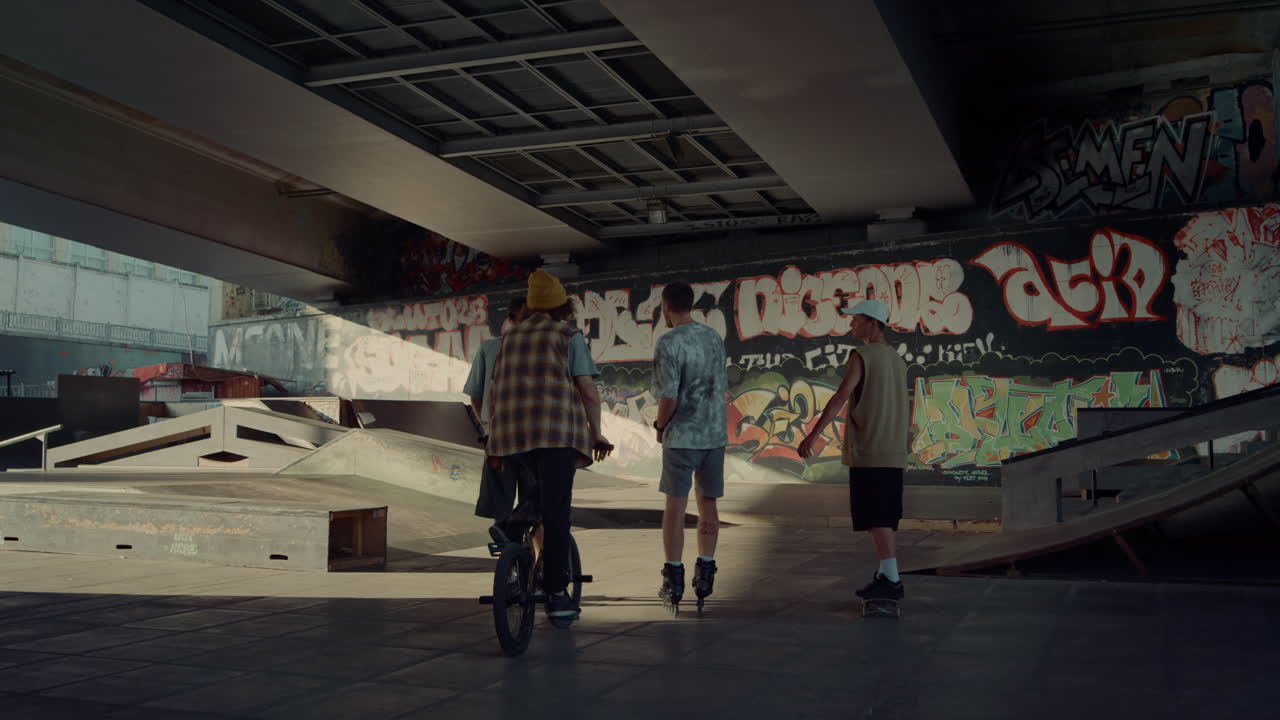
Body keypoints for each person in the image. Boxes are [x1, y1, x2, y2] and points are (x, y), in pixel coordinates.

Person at [486, 269, 612, 627]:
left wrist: (493, 437)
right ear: (562, 306)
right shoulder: (568, 336)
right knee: (557, 516)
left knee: (537, 497)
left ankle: (512, 528)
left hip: (511, 438)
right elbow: (587, 390)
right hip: (555, 436)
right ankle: (557, 594)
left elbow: (495, 392)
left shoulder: (508, 338)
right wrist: (597, 434)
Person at [798, 299, 908, 602]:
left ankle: (893, 579)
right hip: (893, 450)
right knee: (884, 515)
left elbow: (840, 397)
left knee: (877, 516)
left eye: (856, 320)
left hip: (870, 449)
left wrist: (813, 435)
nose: (851, 325)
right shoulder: (897, 361)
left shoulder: (863, 355)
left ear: (872, 322)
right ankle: (886, 574)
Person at [651, 282, 728, 610]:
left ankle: (674, 578)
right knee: (708, 503)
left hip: (682, 436)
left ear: (666, 306)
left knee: (675, 506)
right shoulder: (713, 337)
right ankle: (705, 572)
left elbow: (668, 395)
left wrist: (660, 425)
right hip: (714, 434)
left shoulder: (668, 342)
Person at [463, 297, 528, 523]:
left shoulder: (490, 347)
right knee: (534, 503)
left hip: (499, 435)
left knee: (499, 500)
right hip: (536, 437)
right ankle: (533, 551)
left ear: (509, 320)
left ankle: (503, 547)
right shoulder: (549, 347)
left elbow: (476, 396)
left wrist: (488, 425)